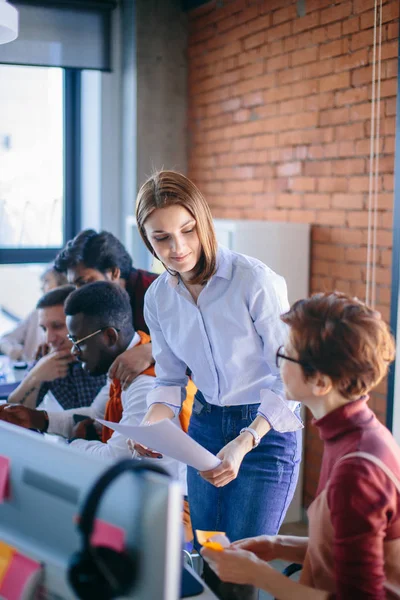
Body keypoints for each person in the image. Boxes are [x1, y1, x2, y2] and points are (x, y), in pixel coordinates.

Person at [133, 170, 303, 599]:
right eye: (162, 238)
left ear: (203, 221)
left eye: (187, 230)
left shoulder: (254, 280)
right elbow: (169, 380)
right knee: (209, 559)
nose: (178, 248)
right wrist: (151, 426)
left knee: (242, 571)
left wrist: (246, 440)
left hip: (264, 433)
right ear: (146, 240)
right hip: (206, 427)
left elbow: (291, 378)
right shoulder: (157, 298)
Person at [201, 292, 400, 600]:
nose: (276, 362)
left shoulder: (357, 470)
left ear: (321, 382)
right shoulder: (353, 434)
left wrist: (257, 575)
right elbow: (342, 551)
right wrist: (275, 545)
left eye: (286, 354)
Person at [0, 281, 191, 540]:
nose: (75, 352)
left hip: (170, 511)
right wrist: (39, 419)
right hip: (137, 495)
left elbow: (113, 459)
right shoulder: (124, 362)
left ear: (110, 336)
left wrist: (71, 443)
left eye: (79, 342)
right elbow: (97, 415)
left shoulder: (145, 383)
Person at [54, 229, 157, 389]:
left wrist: (153, 352)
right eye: (74, 285)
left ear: (114, 272)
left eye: (84, 282)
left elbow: (199, 343)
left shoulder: (156, 293)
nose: (78, 292)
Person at [7, 285, 106, 410]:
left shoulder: (107, 352)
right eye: (44, 329)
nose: (49, 339)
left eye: (57, 326)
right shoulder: (48, 356)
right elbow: (14, 412)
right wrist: (35, 376)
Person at [0, 266, 67, 361]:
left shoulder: (72, 314)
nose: (41, 287)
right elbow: (5, 339)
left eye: (46, 281)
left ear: (63, 282)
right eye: (44, 328)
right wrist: (14, 351)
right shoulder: (37, 314)